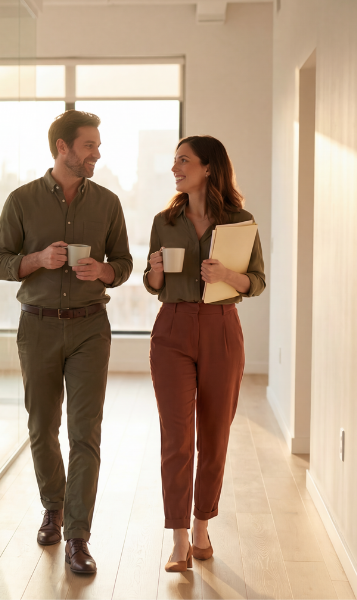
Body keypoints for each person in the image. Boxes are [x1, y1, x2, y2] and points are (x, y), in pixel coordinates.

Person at [0, 110, 133, 574]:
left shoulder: (108, 203)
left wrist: (104, 271)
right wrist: (37, 259)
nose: (96, 153)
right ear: (62, 149)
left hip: (91, 326)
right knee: (42, 426)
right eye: (88, 145)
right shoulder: (21, 200)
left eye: (96, 145)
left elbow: (125, 263)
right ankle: (52, 506)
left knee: (85, 432)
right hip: (38, 327)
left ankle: (77, 535)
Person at [144, 135, 265, 572]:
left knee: (214, 437)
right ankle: (178, 539)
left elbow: (257, 281)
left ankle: (201, 527)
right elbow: (151, 282)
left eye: (184, 160)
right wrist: (154, 273)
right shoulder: (164, 220)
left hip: (221, 328)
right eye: (174, 160)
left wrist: (228, 274)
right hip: (172, 328)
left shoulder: (240, 221)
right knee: (177, 438)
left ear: (208, 167)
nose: (175, 167)